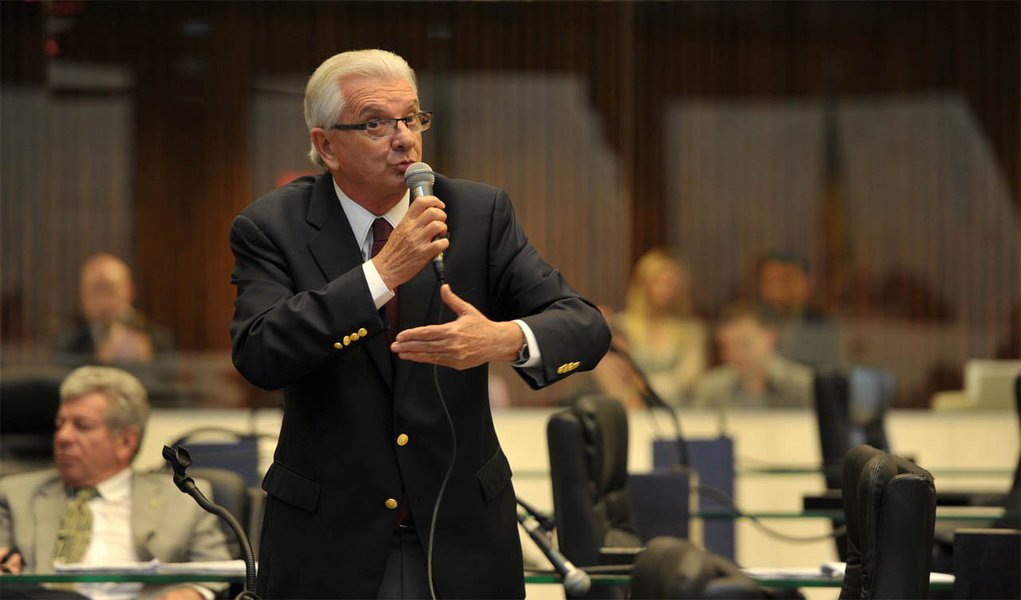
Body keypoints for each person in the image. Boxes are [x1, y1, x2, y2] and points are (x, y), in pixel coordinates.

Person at [228, 49, 611, 598]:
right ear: (325, 146)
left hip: (464, 537)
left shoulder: (478, 214)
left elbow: (586, 325)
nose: (403, 138)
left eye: (411, 118)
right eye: (376, 123)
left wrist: (501, 339)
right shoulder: (271, 226)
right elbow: (259, 352)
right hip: (330, 544)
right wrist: (381, 274)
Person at [0, 366, 231, 600]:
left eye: (82, 426)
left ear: (125, 441)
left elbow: (218, 572)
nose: (63, 437)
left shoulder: (183, 499)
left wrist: (192, 593)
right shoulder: (14, 495)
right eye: (60, 424)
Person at [606, 249, 708, 408]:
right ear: (643, 285)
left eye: (673, 284)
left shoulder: (692, 330)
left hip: (680, 410)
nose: (666, 290)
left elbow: (690, 378)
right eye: (659, 282)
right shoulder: (621, 326)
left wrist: (645, 386)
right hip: (632, 410)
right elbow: (616, 376)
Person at [53, 254, 176, 367]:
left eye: (109, 289)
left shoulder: (158, 340)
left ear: (129, 290)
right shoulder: (69, 343)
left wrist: (143, 363)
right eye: (94, 291)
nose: (103, 302)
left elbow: (170, 386)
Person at [692, 304, 813, 408]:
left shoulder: (804, 387)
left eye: (743, 344)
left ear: (770, 337)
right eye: (727, 346)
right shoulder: (711, 390)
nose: (734, 355)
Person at [754, 250, 842, 368]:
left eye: (786, 280)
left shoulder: (823, 324)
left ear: (806, 283)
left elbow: (828, 374)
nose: (777, 290)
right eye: (770, 281)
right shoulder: (753, 322)